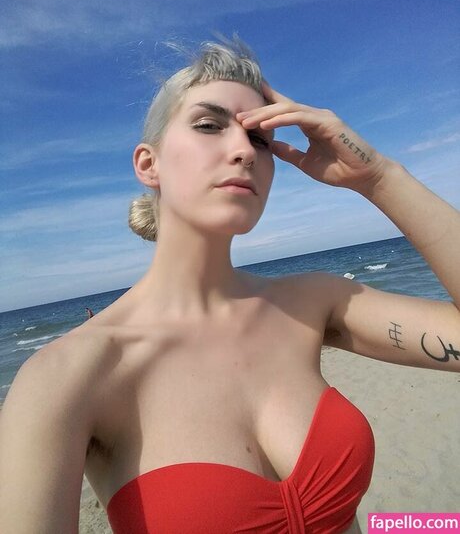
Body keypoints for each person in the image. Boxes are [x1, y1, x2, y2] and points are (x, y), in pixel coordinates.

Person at [0, 35, 458, 534]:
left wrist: (379, 177)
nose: (243, 150)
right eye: (208, 125)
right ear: (149, 164)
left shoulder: (313, 303)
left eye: (259, 138)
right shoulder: (68, 378)